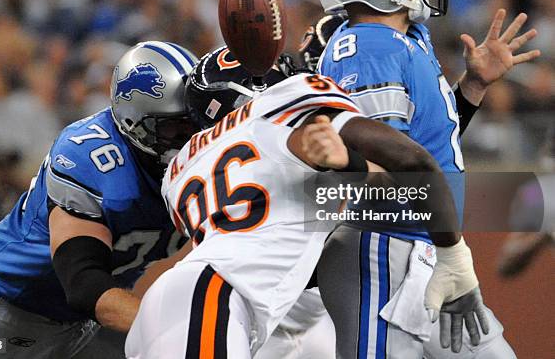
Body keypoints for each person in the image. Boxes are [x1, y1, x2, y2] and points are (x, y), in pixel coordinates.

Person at [125, 46, 482, 359]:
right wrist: (453, 254)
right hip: (214, 297)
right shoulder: (284, 108)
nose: (291, 74)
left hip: (190, 303)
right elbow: (411, 168)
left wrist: (346, 164)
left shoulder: (180, 168)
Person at [311, 0, 539, 358]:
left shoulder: (404, 37)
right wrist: (451, 249)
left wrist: (471, 89)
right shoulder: (370, 44)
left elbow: (420, 146)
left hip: (423, 245)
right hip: (383, 250)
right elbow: (387, 168)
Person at [0, 41, 197, 358]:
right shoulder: (90, 157)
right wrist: (180, 330)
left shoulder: (203, 162)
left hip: (75, 326)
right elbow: (84, 283)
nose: (191, 141)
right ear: (135, 121)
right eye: (176, 129)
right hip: (1, 307)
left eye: (198, 124)